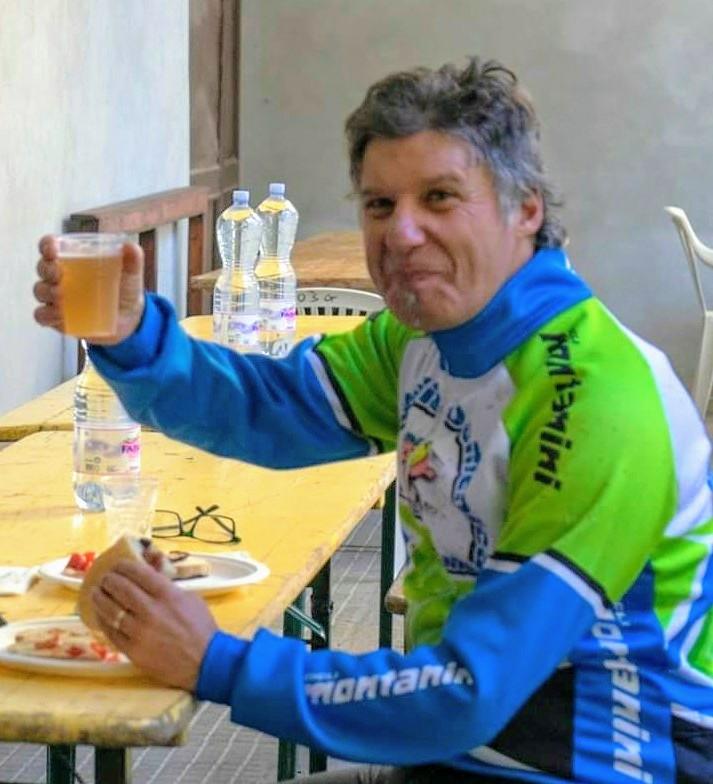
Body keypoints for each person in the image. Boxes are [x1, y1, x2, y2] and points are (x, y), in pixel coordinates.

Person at [33, 57, 713, 783]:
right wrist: (135, 336)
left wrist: (216, 661)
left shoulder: (596, 401)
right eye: (380, 205)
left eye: (440, 197)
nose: (402, 233)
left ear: (526, 210)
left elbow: (469, 690)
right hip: (459, 754)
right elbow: (266, 407)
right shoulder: (421, 339)